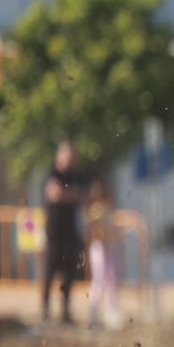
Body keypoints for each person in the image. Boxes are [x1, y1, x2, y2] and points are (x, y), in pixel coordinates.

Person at [38, 140, 91, 324]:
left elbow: (84, 195)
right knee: (49, 272)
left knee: (69, 273)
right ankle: (44, 310)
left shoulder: (77, 176)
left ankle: (65, 312)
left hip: (71, 233)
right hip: (53, 232)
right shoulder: (51, 174)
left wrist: (69, 195)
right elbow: (56, 194)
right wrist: (72, 195)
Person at [82, 179, 122, 330]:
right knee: (99, 280)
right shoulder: (97, 211)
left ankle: (111, 312)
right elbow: (97, 231)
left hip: (107, 246)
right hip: (101, 247)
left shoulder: (105, 210)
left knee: (110, 280)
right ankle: (95, 313)